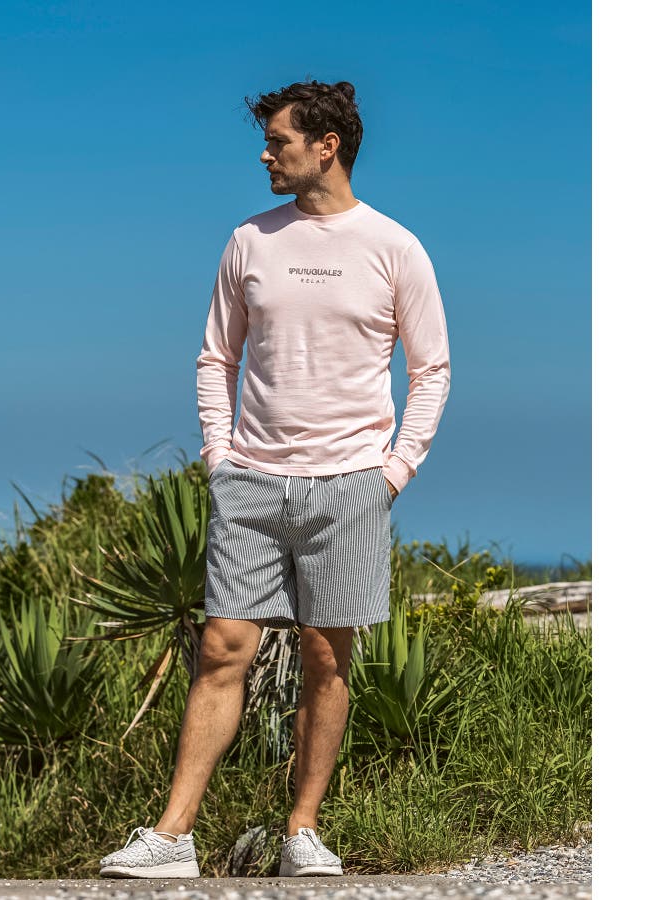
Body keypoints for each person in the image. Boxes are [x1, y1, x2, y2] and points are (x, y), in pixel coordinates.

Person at [99, 79, 451, 879]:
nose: (265, 154)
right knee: (222, 648)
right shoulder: (249, 241)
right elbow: (215, 357)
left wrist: (393, 471)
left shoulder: (394, 247)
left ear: (327, 146)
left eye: (279, 141)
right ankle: (173, 837)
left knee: (327, 659)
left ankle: (302, 833)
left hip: (351, 483)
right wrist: (218, 457)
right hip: (252, 480)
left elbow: (431, 370)